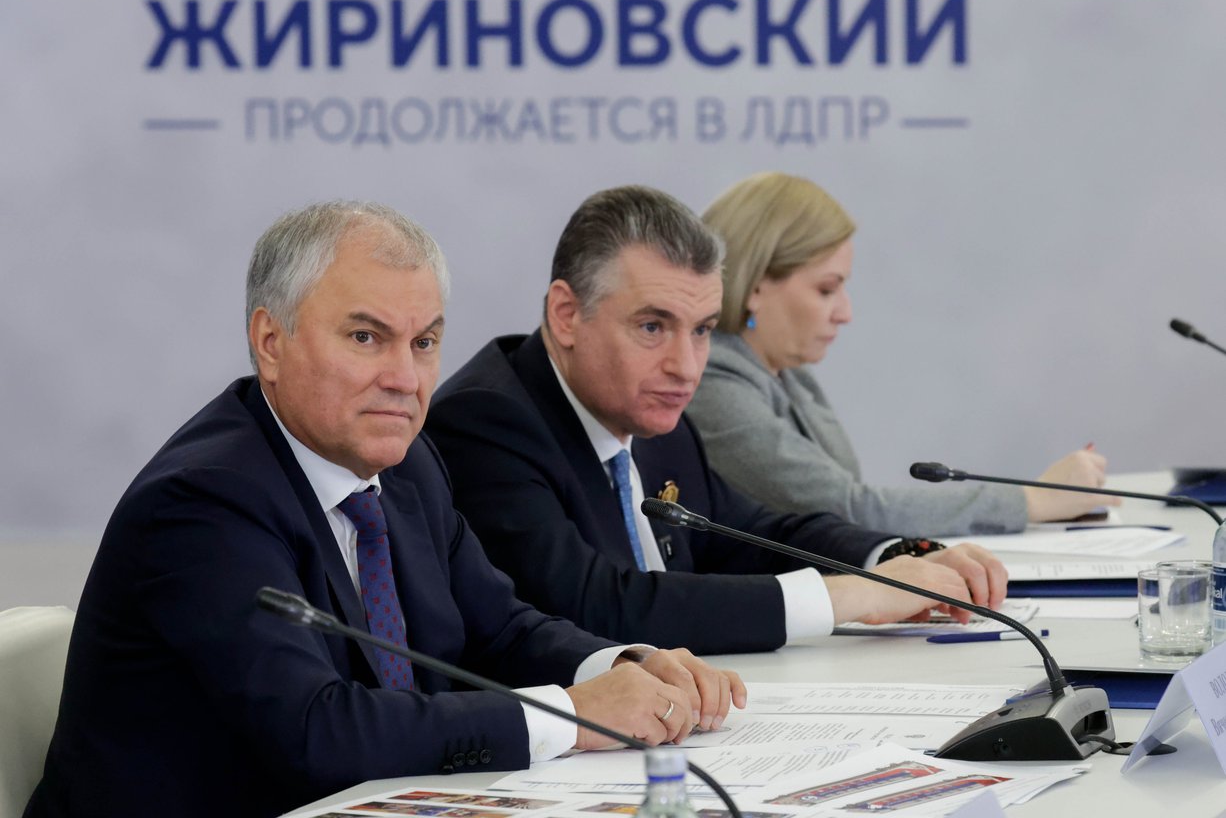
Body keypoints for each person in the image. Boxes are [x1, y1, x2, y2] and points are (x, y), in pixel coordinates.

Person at [25, 202, 744, 818]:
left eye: (424, 342)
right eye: (366, 338)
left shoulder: (405, 465)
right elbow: (319, 731)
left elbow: (497, 628)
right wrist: (575, 715)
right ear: (271, 343)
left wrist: (620, 664)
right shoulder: (203, 503)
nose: (404, 378)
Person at [426, 185, 1007, 657]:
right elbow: (595, 607)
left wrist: (895, 558)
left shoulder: (655, 416)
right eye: (652, 327)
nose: (685, 366)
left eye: (702, 330)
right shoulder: (487, 423)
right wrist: (847, 598)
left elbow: (758, 534)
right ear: (566, 314)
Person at [687, 171, 1116, 537]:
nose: (845, 313)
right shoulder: (713, 380)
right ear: (756, 286)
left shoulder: (786, 369)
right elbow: (847, 510)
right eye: (826, 289)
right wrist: (1030, 501)